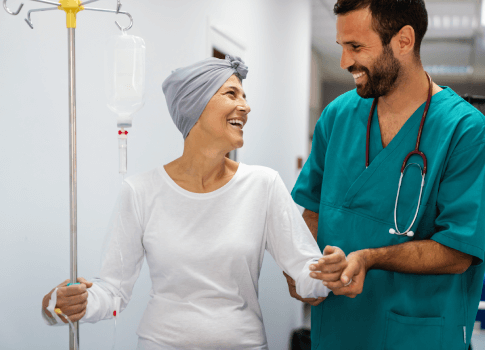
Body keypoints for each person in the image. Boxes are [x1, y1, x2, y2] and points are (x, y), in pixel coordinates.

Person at [41, 56, 334, 350]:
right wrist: (64, 304)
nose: (245, 107)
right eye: (231, 93)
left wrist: (332, 273)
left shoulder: (263, 185)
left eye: (244, 96)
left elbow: (306, 270)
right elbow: (113, 292)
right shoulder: (141, 191)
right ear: (195, 104)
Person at [285, 1, 485, 349]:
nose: (344, 62)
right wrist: (300, 267)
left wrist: (369, 259)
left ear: (403, 41)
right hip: (337, 331)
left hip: (416, 334)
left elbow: (459, 250)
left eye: (356, 47)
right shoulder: (337, 117)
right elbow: (311, 208)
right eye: (341, 46)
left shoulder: (464, 131)